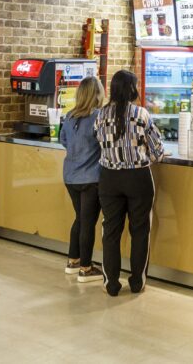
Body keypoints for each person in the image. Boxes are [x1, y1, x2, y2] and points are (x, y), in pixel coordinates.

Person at [94, 70, 165, 296]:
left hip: (109, 178)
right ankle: (137, 282)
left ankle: (111, 284)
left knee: (110, 232)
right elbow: (157, 151)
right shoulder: (141, 114)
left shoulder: (100, 115)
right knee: (140, 230)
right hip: (138, 178)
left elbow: (98, 142)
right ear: (132, 89)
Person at [59, 75, 105, 283]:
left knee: (79, 218)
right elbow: (106, 143)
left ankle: (73, 260)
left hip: (70, 176)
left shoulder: (69, 116)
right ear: (97, 94)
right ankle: (86, 268)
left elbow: (64, 141)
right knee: (88, 221)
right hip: (91, 177)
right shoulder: (98, 117)